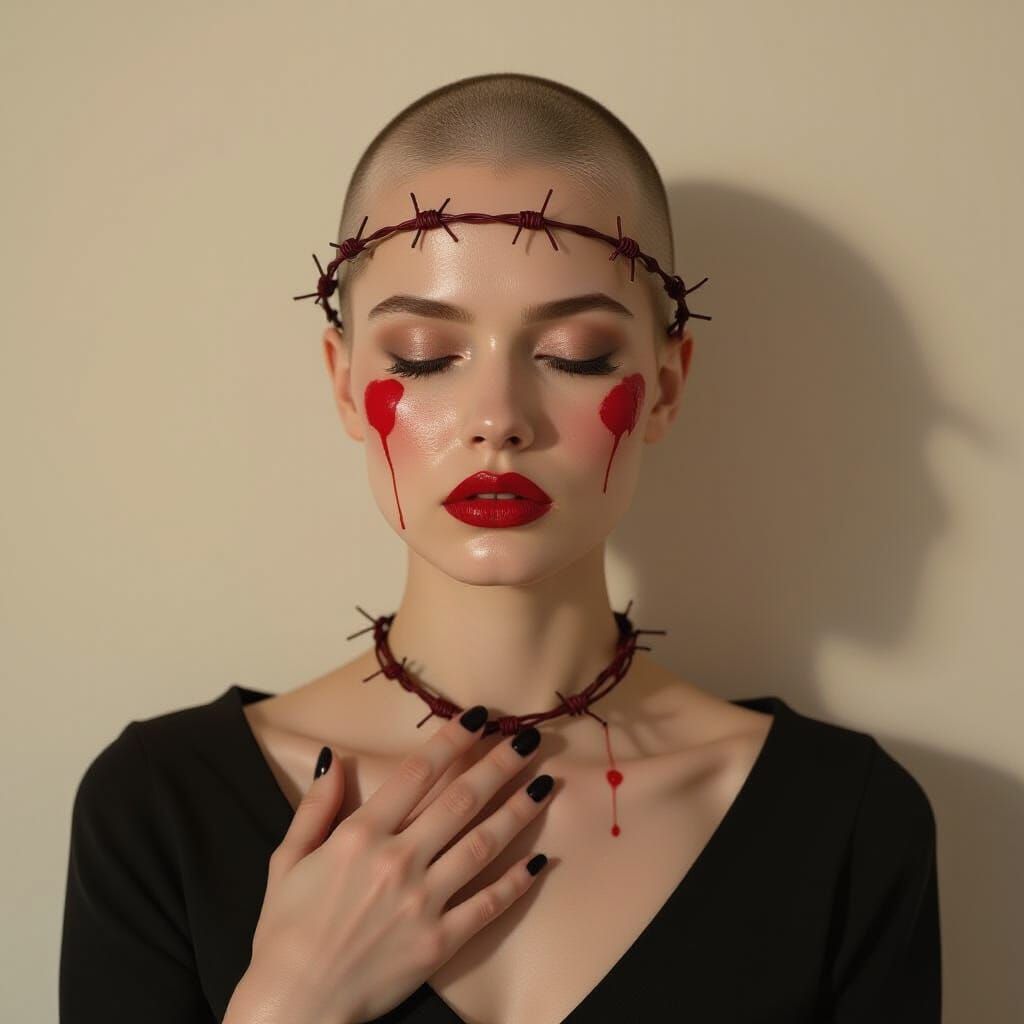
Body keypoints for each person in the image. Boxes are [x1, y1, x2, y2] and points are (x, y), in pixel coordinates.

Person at [59, 72, 941, 1023]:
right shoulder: (160, 809)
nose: (498, 421)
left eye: (575, 354)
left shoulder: (843, 828)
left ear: (668, 384)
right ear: (346, 382)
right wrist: (289, 1005)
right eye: (425, 358)